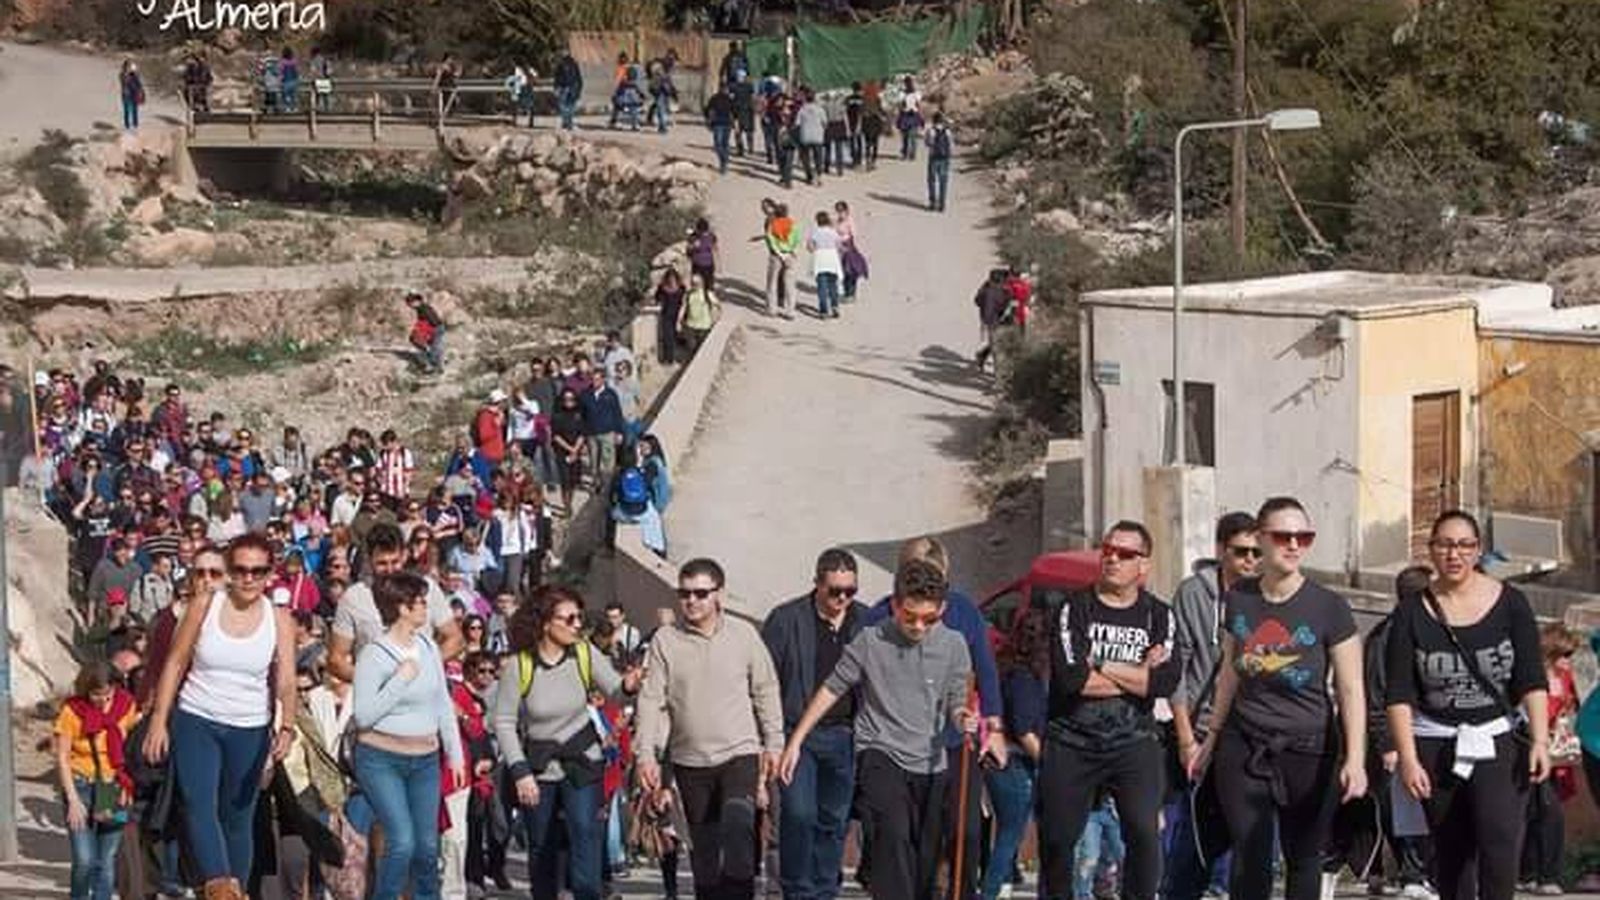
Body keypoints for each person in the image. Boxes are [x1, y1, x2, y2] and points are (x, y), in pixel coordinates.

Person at [1192, 496, 1368, 900]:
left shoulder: (1329, 606)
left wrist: (1356, 759)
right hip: (1244, 741)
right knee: (1249, 852)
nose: (1293, 545)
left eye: (1303, 537)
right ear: (1260, 538)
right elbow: (1230, 670)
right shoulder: (1239, 597)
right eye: (1283, 536)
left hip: (1309, 748)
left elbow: (1350, 688)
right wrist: (1212, 738)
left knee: (1303, 858)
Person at [778, 557, 974, 900]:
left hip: (931, 761)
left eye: (928, 619)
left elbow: (958, 698)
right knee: (892, 835)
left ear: (942, 610)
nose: (918, 626)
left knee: (924, 860)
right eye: (909, 616)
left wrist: (961, 717)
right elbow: (832, 688)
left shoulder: (954, 644)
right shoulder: (871, 640)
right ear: (895, 605)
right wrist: (796, 741)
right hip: (880, 752)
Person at [1386, 509, 1550, 900]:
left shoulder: (1511, 603)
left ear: (1478, 550)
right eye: (1444, 544)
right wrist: (1407, 757)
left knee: (1499, 842)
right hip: (1435, 741)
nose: (1454, 554)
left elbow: (1531, 677)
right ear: (1431, 550)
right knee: (1451, 851)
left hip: (1497, 739)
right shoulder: (1411, 612)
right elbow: (1399, 692)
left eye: (1464, 545)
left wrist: (1541, 740)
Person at [143, 533, 299, 900]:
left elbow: (287, 680)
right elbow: (175, 662)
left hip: (249, 725)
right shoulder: (205, 605)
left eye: (257, 571)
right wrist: (158, 720)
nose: (248, 578)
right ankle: (220, 887)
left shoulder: (279, 619)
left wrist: (287, 727)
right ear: (229, 570)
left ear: (269, 574)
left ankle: (235, 889)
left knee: (237, 817)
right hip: (197, 717)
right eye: (240, 569)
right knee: (198, 804)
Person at [859, 537, 1006, 900]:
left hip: (952, 740)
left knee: (964, 830)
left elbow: (985, 669)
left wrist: (995, 726)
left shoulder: (964, 611)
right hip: (897, 745)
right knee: (904, 833)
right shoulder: (877, 617)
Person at [1038, 521, 1177, 900]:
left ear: (1143, 564)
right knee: (1057, 838)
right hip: (1072, 737)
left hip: (1134, 739)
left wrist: (1100, 662)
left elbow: (1163, 684)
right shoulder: (1073, 608)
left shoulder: (1159, 616)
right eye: (1108, 550)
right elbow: (1072, 680)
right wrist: (1138, 674)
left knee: (1144, 833)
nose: (1113, 559)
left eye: (1125, 554)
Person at [635, 558, 785, 900]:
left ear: (719, 594)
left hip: (739, 754)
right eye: (684, 593)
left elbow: (766, 689)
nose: (692, 600)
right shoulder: (665, 641)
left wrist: (774, 743)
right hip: (690, 760)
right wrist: (646, 756)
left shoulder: (744, 635)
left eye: (701, 593)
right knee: (704, 857)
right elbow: (650, 699)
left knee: (738, 827)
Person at [493, 586, 637, 900]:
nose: (577, 625)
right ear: (546, 622)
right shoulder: (520, 665)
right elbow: (503, 721)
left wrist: (629, 685)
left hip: (582, 758)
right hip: (538, 766)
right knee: (541, 846)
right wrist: (520, 772)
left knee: (585, 834)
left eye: (579, 618)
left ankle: (588, 893)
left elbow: (615, 690)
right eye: (569, 619)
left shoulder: (584, 653)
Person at [351, 571, 468, 900]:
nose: (426, 608)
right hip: (381, 759)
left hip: (425, 759)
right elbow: (364, 715)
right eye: (421, 602)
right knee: (402, 842)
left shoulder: (429, 647)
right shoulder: (374, 654)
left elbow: (442, 703)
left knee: (427, 847)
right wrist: (400, 680)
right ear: (402, 608)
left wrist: (455, 754)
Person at [1164, 512, 1258, 900]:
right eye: (1241, 551)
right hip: (1201, 727)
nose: (1250, 560)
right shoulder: (1194, 593)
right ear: (1221, 551)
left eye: (1257, 552)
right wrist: (1186, 737)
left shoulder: (1265, 595)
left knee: (1249, 830)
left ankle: (1225, 886)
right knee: (1192, 828)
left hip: (1249, 731)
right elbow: (1177, 669)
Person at [761, 548, 865, 900]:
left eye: (850, 591)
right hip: (797, 735)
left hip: (845, 734)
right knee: (798, 814)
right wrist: (770, 740)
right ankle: (797, 890)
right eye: (835, 591)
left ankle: (824, 890)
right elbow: (764, 682)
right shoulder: (786, 620)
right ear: (817, 584)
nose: (842, 599)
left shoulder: (864, 622)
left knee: (834, 821)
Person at [326, 523, 465, 685]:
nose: (390, 570)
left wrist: (425, 667)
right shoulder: (353, 598)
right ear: (369, 559)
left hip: (421, 688)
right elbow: (336, 659)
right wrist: (371, 682)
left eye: (395, 561)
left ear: (404, 555)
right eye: (382, 563)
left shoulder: (427, 589)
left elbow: (456, 639)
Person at [57, 661, 138, 900]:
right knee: (84, 860)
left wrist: (128, 785)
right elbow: (62, 757)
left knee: (106, 860)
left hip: (112, 787)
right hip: (80, 785)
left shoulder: (126, 706)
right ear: (85, 690)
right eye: (95, 694)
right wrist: (72, 800)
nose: (102, 700)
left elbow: (132, 749)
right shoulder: (72, 711)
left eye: (107, 694)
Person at [983, 607, 1049, 900]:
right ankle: (992, 891)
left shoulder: (1008, 670)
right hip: (1015, 760)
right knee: (1010, 834)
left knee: (1009, 834)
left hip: (1004, 761)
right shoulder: (1024, 678)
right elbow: (1023, 729)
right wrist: (1047, 763)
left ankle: (1002, 888)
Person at [1523, 624, 1580, 894]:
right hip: (1530, 749)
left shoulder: (1565, 677)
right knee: (1532, 811)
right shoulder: (1531, 675)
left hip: (1556, 753)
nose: (1568, 660)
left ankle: (1547, 874)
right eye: (1564, 654)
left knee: (1550, 811)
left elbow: (1572, 707)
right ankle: (1530, 873)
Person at [763, 201, 800, 319]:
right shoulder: (792, 224)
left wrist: (780, 253)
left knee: (772, 283)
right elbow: (797, 240)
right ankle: (790, 311)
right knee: (790, 284)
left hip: (776, 256)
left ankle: (772, 309)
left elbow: (771, 240)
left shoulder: (772, 224)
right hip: (790, 255)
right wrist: (792, 252)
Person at [808, 211, 844, 320]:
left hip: (820, 259)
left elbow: (810, 247)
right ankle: (835, 306)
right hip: (832, 259)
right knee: (833, 285)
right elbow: (839, 246)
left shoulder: (815, 233)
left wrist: (816, 249)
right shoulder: (833, 232)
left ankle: (824, 311)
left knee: (822, 287)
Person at [973, 269, 1010, 373]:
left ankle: (981, 358)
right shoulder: (1001, 291)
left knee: (990, 343)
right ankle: (998, 371)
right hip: (995, 321)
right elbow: (1003, 305)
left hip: (989, 320)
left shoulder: (986, 288)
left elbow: (977, 300)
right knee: (996, 345)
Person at [678, 272, 721, 356]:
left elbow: (717, 305)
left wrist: (716, 318)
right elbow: (683, 307)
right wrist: (679, 320)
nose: (694, 285)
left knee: (701, 350)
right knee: (691, 347)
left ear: (702, 284)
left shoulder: (707, 294)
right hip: (691, 325)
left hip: (704, 326)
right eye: (693, 282)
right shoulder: (688, 294)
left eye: (696, 283)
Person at [835, 202, 867, 302]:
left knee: (850, 271)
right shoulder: (837, 221)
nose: (840, 214)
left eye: (842, 211)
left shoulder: (849, 221)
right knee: (843, 272)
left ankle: (851, 294)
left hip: (848, 247)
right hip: (840, 248)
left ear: (846, 211)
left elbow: (853, 235)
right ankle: (847, 293)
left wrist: (848, 246)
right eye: (838, 211)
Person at [406, 292, 445, 374]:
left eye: (410, 303)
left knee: (435, 348)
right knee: (434, 348)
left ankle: (436, 368)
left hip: (436, 329)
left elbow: (433, 322)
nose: (410, 306)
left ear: (416, 301)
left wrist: (425, 332)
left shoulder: (424, 309)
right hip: (434, 329)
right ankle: (435, 366)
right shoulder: (421, 308)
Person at [796, 89, 827, 186]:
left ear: (806, 98)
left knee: (806, 158)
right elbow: (825, 122)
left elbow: (797, 123)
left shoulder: (802, 109)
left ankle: (809, 176)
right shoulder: (820, 109)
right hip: (817, 136)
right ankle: (818, 176)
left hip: (805, 136)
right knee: (818, 157)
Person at [656, 269, 687, 365]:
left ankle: (678, 357)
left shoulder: (681, 288)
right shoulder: (662, 288)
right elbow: (657, 297)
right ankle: (668, 358)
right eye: (670, 278)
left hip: (678, 315)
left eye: (673, 278)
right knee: (667, 337)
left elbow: (684, 300)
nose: (671, 281)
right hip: (666, 315)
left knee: (676, 336)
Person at [925, 112, 953, 213]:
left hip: (933, 157)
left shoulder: (931, 130)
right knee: (943, 181)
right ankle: (942, 204)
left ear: (934, 120)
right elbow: (950, 144)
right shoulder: (948, 131)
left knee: (931, 180)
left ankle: (933, 203)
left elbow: (927, 143)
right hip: (945, 158)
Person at [688, 219, 721, 291]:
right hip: (703, 264)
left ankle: (706, 295)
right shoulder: (710, 236)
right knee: (703, 284)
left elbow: (715, 249)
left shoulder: (695, 237)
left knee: (704, 285)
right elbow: (715, 250)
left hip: (703, 265)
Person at [554, 51, 582, 130]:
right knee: (565, 106)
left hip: (570, 88)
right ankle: (566, 123)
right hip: (564, 88)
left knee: (569, 106)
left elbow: (578, 77)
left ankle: (568, 122)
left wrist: (579, 88)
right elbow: (557, 77)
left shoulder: (573, 65)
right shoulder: (561, 65)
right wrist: (556, 87)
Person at [897, 76, 922, 160]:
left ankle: (909, 153)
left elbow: (918, 105)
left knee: (910, 136)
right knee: (908, 136)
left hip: (910, 115)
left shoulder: (914, 94)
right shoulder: (904, 94)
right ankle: (908, 153)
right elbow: (900, 105)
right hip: (908, 115)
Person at [120, 60, 145, 131]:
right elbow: (125, 81)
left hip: (134, 94)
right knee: (127, 111)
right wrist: (129, 73)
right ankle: (127, 126)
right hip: (126, 95)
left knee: (134, 110)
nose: (129, 68)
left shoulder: (134, 75)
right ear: (125, 67)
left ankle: (135, 125)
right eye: (128, 66)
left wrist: (136, 74)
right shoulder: (122, 74)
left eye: (130, 66)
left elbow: (139, 84)